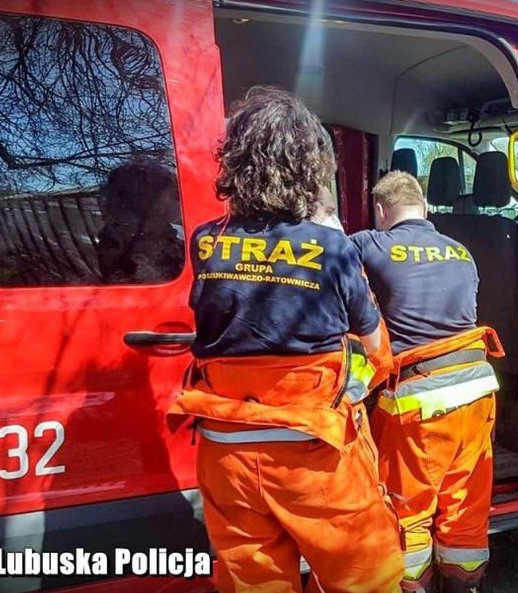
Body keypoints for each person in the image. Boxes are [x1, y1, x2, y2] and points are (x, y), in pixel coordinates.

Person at [165, 86, 403, 593]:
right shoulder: (332, 247)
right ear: (309, 167)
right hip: (314, 453)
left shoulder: (206, 242)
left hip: (226, 451)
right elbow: (377, 352)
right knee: (367, 580)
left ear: (235, 160)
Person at [350, 171, 504, 593]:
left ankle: (413, 584)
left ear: (381, 211)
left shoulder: (371, 243)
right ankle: (464, 585)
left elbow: (327, 260)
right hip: (477, 390)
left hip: (420, 402)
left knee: (408, 510)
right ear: (425, 207)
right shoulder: (460, 250)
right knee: (466, 503)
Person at [97, 156, 184, 284]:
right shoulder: (122, 245)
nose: (178, 199)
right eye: (172, 193)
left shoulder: (167, 237)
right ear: (147, 199)